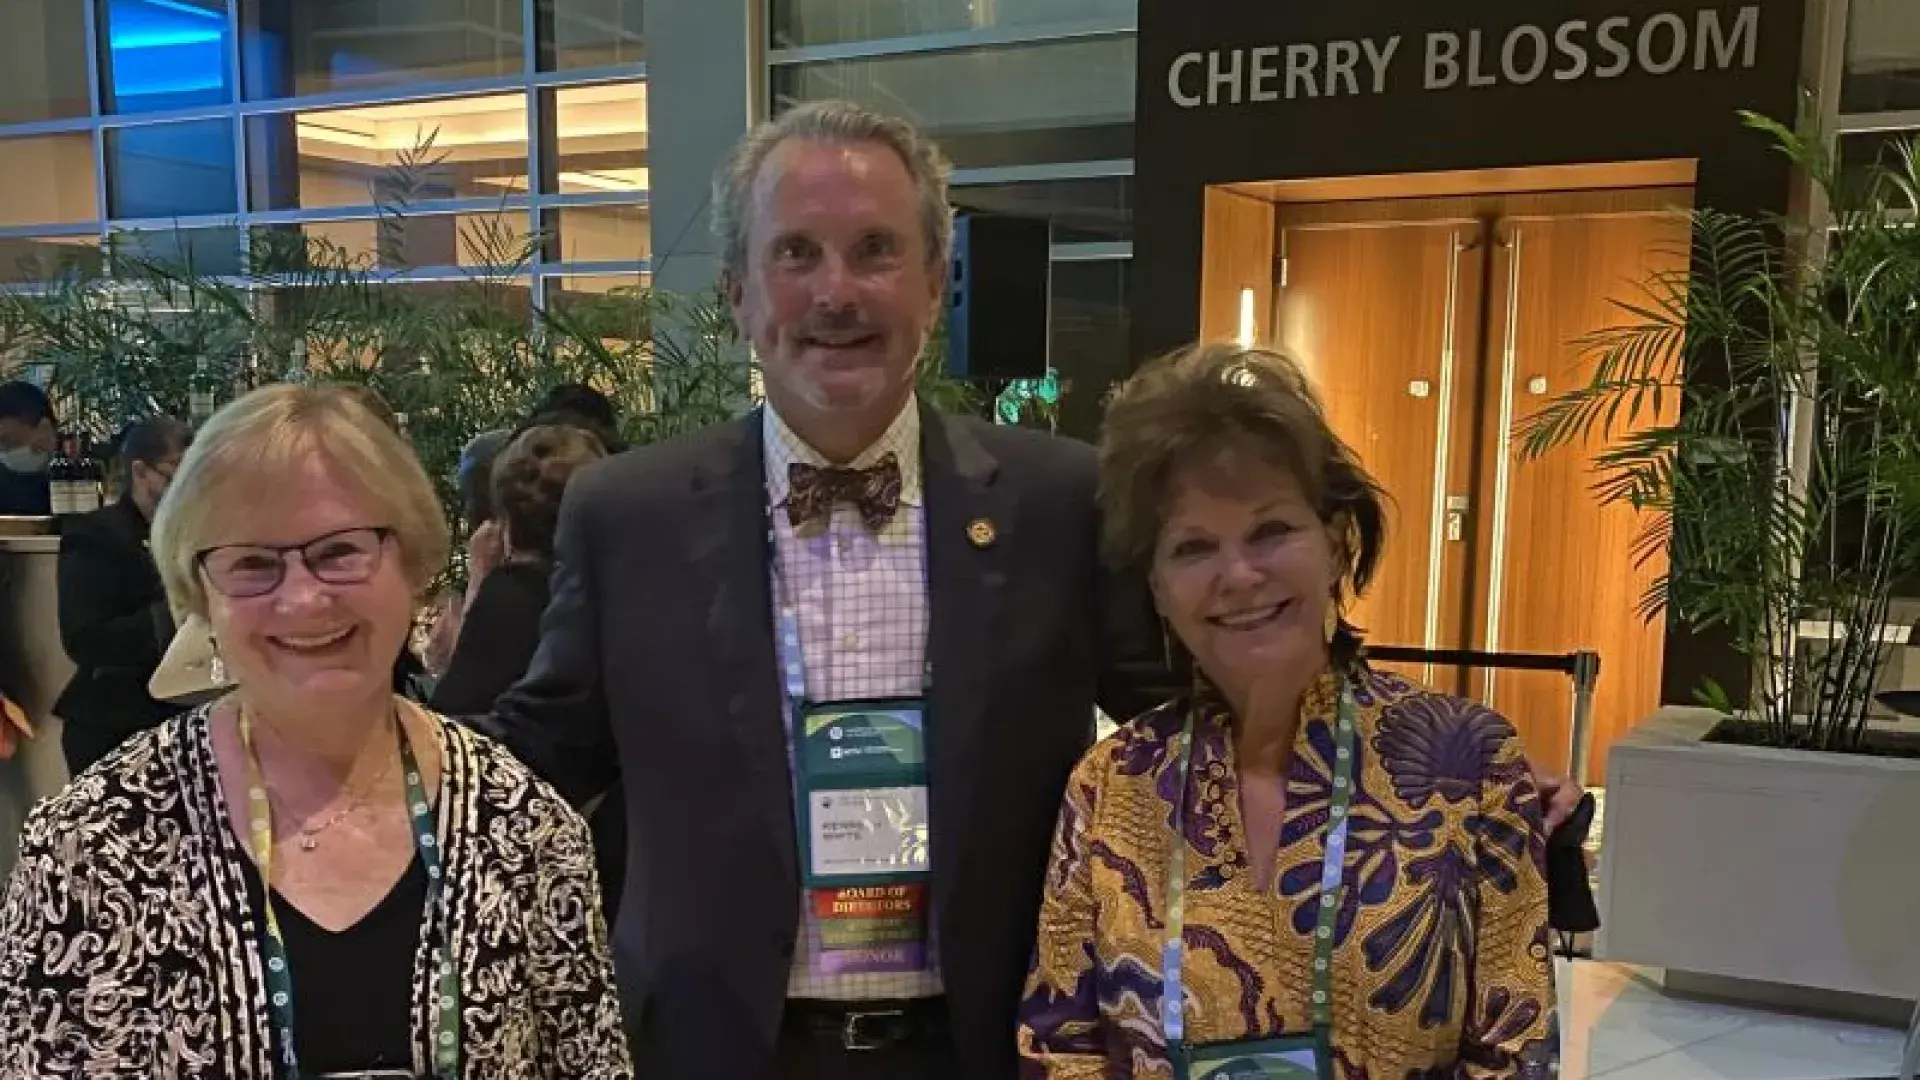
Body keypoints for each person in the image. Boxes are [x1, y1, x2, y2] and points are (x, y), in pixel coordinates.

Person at [475, 99, 1177, 1078]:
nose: (834, 292)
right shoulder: (625, 516)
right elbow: (537, 763)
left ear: (935, 286)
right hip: (715, 1053)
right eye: (795, 253)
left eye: (876, 250)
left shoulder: (1062, 503)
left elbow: (1179, 741)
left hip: (989, 1051)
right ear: (736, 294)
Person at [0, 385, 631, 1077]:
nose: (302, 597)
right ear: (197, 594)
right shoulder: (91, 850)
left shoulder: (525, 829)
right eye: (252, 563)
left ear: (413, 563)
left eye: (339, 551)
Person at [1017, 343, 1557, 1078]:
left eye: (1271, 531)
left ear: (1336, 546)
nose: (1239, 574)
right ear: (1156, 588)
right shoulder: (1111, 786)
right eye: (1192, 547)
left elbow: (1514, 1053)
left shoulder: (1467, 764)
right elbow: (1060, 1047)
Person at [428, 424, 622, 918]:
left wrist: (478, 582)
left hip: (532, 875)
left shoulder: (510, 597)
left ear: (503, 518)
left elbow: (444, 742)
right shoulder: (622, 597)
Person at [53, 416, 191, 776]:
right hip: (113, 722)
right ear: (142, 472)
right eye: (177, 473)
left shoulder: (195, 532)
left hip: (184, 719)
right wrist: (177, 612)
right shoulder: (96, 534)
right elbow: (85, 639)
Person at [0, 380, 55, 516]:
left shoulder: (88, 475)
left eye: (7, 442)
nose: (3, 451)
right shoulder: (4, 482)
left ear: (44, 429)